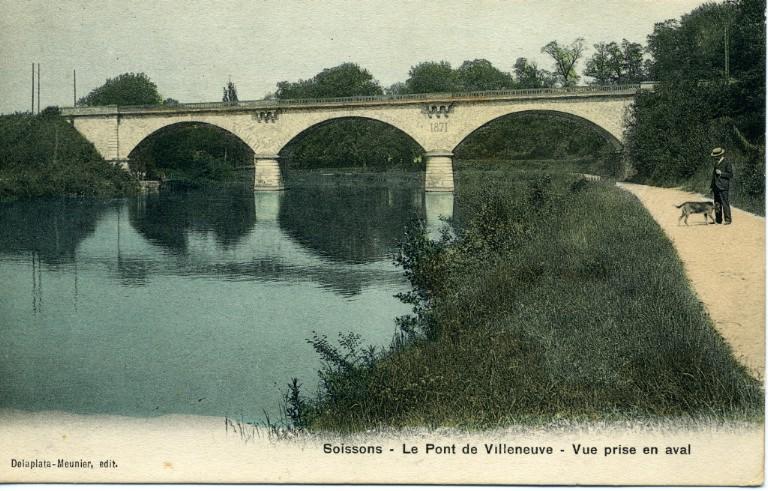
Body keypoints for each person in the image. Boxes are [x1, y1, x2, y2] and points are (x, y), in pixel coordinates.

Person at [710, 147, 733, 224]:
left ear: (720, 155)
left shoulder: (727, 162)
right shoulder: (716, 163)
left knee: (725, 203)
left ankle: (728, 220)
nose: (714, 158)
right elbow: (713, 176)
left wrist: (721, 173)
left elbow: (730, 175)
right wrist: (712, 186)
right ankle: (718, 220)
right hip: (716, 187)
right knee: (717, 204)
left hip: (723, 187)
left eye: (715, 156)